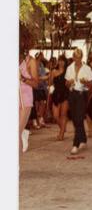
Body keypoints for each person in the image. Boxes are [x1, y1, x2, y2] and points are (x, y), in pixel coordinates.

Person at [65, 48, 92, 155]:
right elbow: (66, 84)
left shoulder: (87, 68)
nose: (76, 60)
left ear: (81, 57)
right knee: (75, 119)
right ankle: (83, 139)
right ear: (73, 57)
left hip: (82, 95)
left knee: (79, 117)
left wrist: (85, 82)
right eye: (74, 57)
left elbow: (91, 85)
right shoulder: (69, 68)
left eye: (78, 57)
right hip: (72, 94)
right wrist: (69, 83)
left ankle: (75, 144)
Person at [19, 25, 38, 154]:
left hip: (25, 100)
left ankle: (14, 168)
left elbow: (36, 83)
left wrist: (23, 78)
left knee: (15, 133)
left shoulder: (30, 61)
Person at [49, 55, 69, 140]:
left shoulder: (68, 72)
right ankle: (63, 128)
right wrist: (50, 76)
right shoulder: (53, 71)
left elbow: (69, 83)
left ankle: (61, 135)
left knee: (63, 115)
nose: (61, 62)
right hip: (56, 94)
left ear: (65, 62)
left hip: (65, 94)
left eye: (63, 61)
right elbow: (50, 83)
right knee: (55, 116)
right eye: (60, 60)